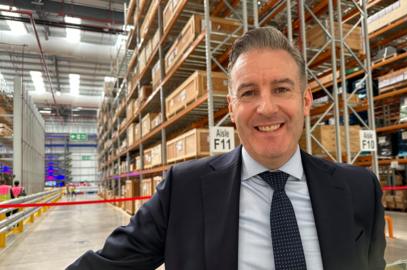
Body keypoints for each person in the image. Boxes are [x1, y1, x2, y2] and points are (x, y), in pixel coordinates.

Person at [67, 27, 386, 270]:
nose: (266, 107)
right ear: (232, 109)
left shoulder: (360, 189)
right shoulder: (184, 190)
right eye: (248, 93)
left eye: (281, 89)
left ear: (305, 101)